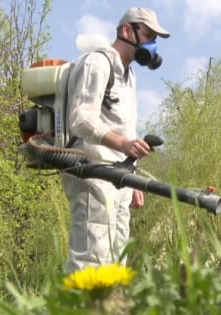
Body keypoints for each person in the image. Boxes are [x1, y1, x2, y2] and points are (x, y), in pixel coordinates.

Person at [61, 7, 170, 272]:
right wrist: (122, 145)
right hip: (92, 170)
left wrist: (132, 179)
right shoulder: (98, 62)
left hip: (119, 177)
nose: (151, 44)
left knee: (117, 259)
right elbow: (81, 119)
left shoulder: (129, 75)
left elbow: (125, 128)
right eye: (148, 35)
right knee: (92, 259)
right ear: (126, 30)